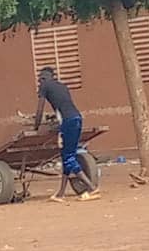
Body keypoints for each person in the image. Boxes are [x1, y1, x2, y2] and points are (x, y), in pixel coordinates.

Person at [34, 67, 100, 202]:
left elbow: (40, 110)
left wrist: (36, 126)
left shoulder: (44, 86)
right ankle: (61, 193)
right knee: (67, 156)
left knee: (68, 157)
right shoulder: (62, 86)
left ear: (42, 78)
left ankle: (92, 188)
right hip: (77, 118)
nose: (39, 83)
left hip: (68, 122)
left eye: (40, 80)